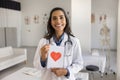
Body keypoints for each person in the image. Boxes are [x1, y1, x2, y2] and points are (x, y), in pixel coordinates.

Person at [33, 7, 83, 80]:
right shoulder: (43, 41)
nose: (58, 21)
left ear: (66, 20)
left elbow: (79, 64)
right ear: (50, 22)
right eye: (54, 18)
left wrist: (66, 71)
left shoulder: (74, 41)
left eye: (61, 17)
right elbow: (36, 65)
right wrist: (43, 57)